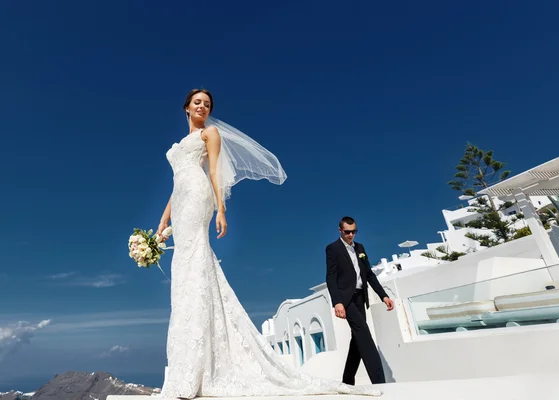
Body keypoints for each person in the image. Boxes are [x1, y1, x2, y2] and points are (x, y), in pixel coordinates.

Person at [156, 89, 382, 398]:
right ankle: (187, 366)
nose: (202, 107)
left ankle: (196, 371)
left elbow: (212, 172)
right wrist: (163, 219)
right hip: (180, 201)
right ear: (186, 107)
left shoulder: (211, 133)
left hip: (198, 197)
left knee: (196, 262)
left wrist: (221, 209)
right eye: (197, 102)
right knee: (184, 271)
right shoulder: (181, 144)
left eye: (207, 104)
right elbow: (176, 183)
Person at [325, 216, 395, 386]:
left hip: (360, 298)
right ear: (340, 230)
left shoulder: (360, 248)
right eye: (347, 232)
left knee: (357, 339)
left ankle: (347, 381)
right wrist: (337, 302)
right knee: (365, 335)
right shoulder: (332, 249)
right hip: (346, 300)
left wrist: (383, 295)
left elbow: (369, 274)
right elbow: (331, 277)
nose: (351, 235)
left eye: (354, 231)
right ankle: (380, 383)